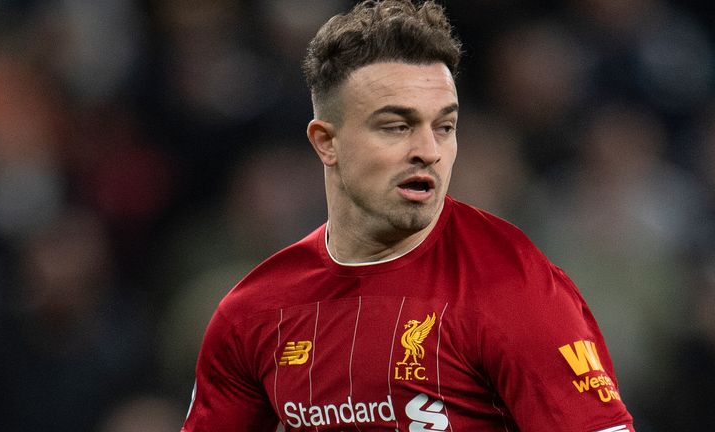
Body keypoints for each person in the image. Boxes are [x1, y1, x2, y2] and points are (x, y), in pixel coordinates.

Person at [181, 1, 635, 431]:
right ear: (326, 142)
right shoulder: (253, 314)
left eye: (445, 126)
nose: (428, 152)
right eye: (396, 126)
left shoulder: (515, 286)